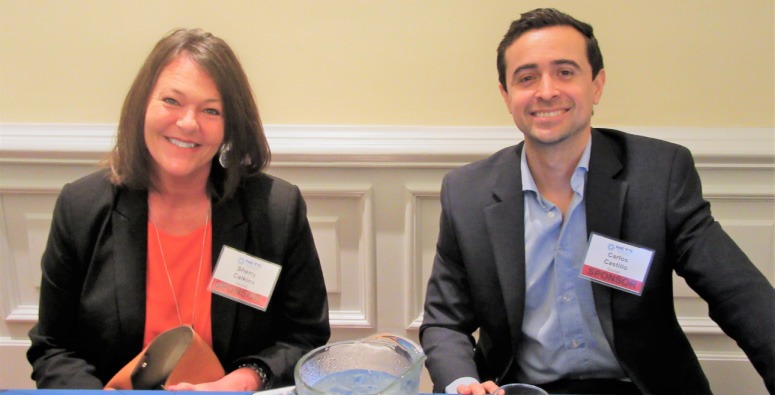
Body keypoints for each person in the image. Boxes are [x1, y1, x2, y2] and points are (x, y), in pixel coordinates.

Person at [420, 8, 775, 395]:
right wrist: (462, 382)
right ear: (506, 95)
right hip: (521, 387)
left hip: (639, 386)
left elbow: (738, 293)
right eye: (526, 78)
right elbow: (445, 322)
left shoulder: (658, 175)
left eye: (565, 72)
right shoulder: (467, 192)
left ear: (597, 85)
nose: (546, 91)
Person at [27, 28, 330, 391]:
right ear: (142, 103)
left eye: (211, 110)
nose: (188, 123)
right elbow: (53, 347)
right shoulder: (81, 208)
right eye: (172, 101)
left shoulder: (276, 209)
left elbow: (305, 336)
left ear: (230, 125)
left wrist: (240, 382)